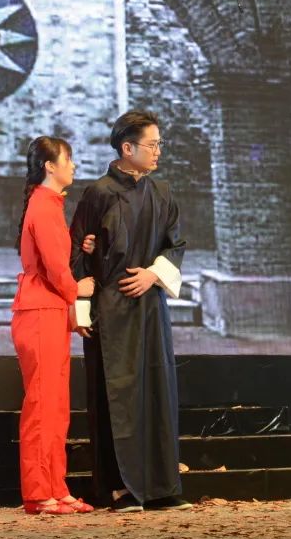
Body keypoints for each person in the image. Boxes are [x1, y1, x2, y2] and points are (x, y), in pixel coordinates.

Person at [70, 110, 190, 512]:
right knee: (116, 396)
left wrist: (153, 275)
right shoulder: (99, 193)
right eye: (152, 144)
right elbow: (77, 253)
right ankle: (120, 488)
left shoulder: (163, 192)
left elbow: (175, 245)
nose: (158, 151)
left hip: (150, 307)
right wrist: (82, 311)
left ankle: (161, 486)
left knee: (157, 392)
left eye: (159, 144)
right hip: (111, 309)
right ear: (127, 148)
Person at [12, 136, 97, 515]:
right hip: (39, 313)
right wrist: (77, 290)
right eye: (68, 159)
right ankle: (39, 492)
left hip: (48, 311)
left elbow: (56, 260)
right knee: (43, 405)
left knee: (56, 406)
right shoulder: (44, 206)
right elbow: (54, 267)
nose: (73, 165)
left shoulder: (48, 204)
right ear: (50, 165)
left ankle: (55, 488)